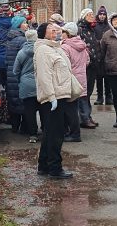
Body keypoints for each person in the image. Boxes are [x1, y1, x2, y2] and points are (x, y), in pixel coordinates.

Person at [34, 22, 82, 179]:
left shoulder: (56, 48)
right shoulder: (43, 50)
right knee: (55, 134)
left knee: (51, 133)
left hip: (61, 95)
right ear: (44, 33)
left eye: (57, 30)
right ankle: (55, 168)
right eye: (52, 30)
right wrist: (51, 96)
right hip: (53, 97)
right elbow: (44, 76)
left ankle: (44, 165)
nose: (56, 32)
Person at [60, 22, 89, 141]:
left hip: (70, 80)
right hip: (81, 78)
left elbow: (63, 65)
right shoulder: (81, 45)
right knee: (74, 106)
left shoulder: (65, 47)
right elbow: (87, 60)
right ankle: (73, 132)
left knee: (70, 108)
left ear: (67, 34)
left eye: (63, 32)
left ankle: (74, 134)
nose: (61, 34)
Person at [12, 29, 40, 143]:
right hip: (41, 84)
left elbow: (15, 71)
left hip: (26, 85)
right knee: (43, 110)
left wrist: (21, 81)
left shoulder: (21, 52)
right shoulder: (41, 51)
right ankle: (46, 130)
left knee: (30, 111)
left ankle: (33, 134)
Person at [3, 16, 29, 133]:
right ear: (19, 25)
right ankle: (24, 127)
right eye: (24, 22)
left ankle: (14, 125)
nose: (27, 24)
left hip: (10, 72)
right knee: (22, 100)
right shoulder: (22, 40)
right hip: (20, 73)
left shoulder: (10, 39)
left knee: (13, 100)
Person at [92, 6, 113, 105]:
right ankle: (100, 97)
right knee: (99, 78)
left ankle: (108, 96)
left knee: (108, 78)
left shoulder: (109, 26)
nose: (102, 16)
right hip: (98, 55)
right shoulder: (95, 26)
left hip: (107, 55)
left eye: (104, 14)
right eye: (100, 14)